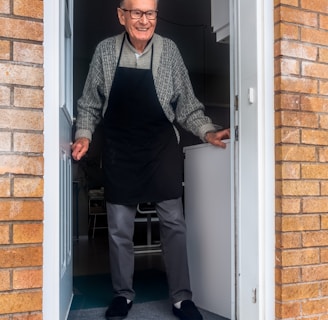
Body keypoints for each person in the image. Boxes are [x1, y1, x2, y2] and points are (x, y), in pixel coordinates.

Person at [72, 0, 230, 319]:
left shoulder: (169, 51)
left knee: (174, 224)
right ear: (122, 15)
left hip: (160, 149)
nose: (144, 20)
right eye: (137, 13)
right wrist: (84, 134)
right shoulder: (105, 51)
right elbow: (89, 104)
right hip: (120, 150)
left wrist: (207, 132)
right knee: (118, 229)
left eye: (151, 13)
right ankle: (122, 295)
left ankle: (181, 298)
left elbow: (186, 105)